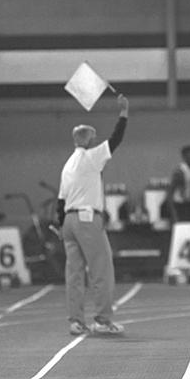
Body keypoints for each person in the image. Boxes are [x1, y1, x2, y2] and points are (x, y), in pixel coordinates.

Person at [56, 94, 129, 336]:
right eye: (94, 138)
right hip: (87, 219)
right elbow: (116, 139)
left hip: (68, 221)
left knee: (74, 273)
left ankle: (76, 321)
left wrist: (59, 224)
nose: (97, 141)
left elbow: (60, 200)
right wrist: (124, 113)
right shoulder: (90, 158)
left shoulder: (68, 165)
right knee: (101, 269)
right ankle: (102, 320)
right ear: (87, 141)